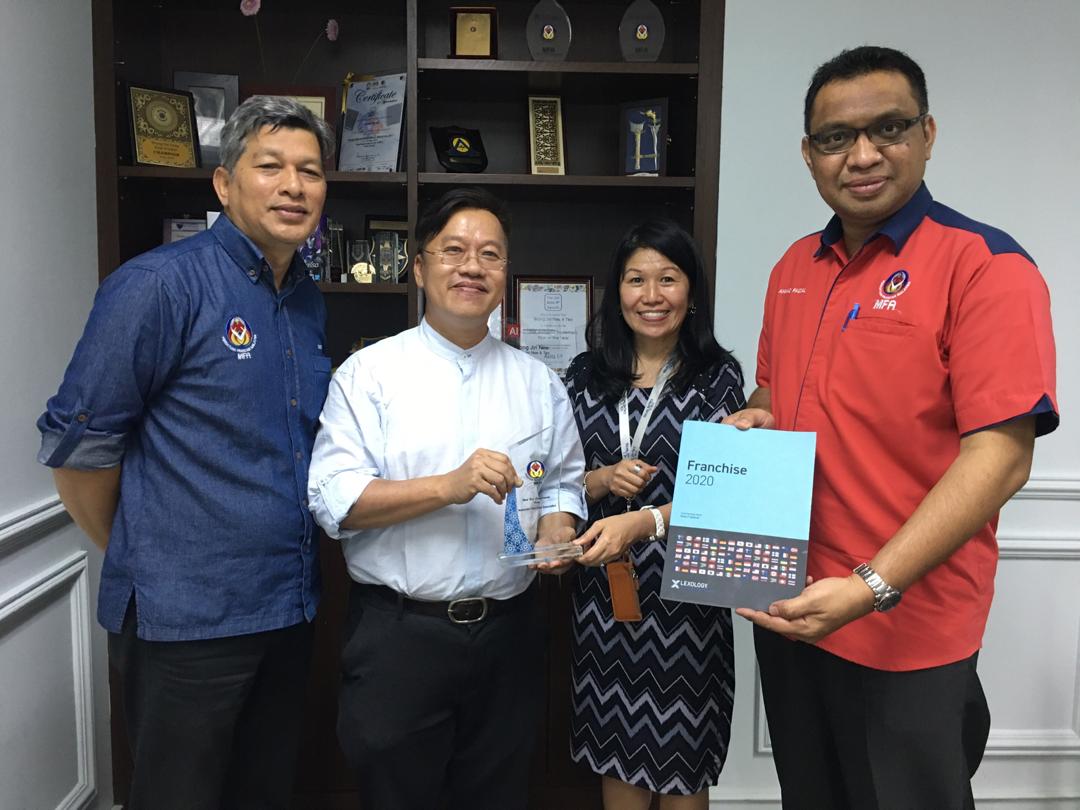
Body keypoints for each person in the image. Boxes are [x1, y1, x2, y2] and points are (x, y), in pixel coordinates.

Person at [724, 46, 1058, 810]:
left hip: (908, 628)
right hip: (794, 610)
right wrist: (756, 418)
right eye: (836, 137)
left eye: (889, 128)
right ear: (809, 154)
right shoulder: (793, 268)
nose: (864, 154)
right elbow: (776, 393)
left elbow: (1002, 457)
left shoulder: (986, 265)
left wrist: (871, 586)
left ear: (927, 133)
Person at [36, 95, 334, 810]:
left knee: (262, 795)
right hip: (186, 625)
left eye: (311, 171)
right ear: (225, 184)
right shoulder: (159, 286)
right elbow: (78, 453)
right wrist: (150, 552)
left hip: (286, 610)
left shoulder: (306, 299)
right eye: (270, 166)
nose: (294, 186)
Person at [307, 187, 586, 810]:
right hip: (400, 638)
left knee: (500, 796)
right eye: (454, 250)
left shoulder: (539, 383)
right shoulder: (369, 375)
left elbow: (563, 480)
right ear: (419, 267)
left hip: (510, 635)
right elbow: (335, 503)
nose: (472, 267)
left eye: (490, 254)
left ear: (505, 273)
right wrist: (448, 486)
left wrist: (557, 529)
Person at [565, 220, 745, 810]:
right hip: (604, 602)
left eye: (667, 279)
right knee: (616, 756)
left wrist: (646, 520)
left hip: (688, 602)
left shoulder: (717, 377)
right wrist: (600, 479)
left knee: (683, 766)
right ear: (616, 291)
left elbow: (729, 491)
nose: (651, 295)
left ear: (691, 291)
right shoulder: (584, 375)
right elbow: (554, 482)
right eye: (635, 279)